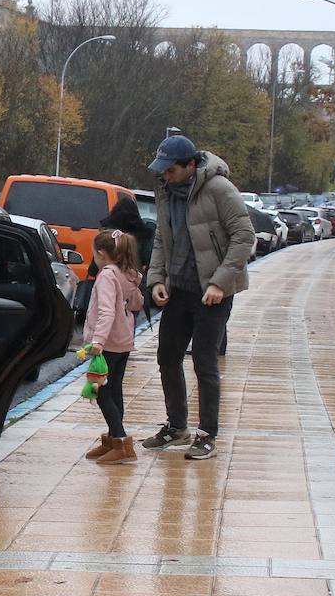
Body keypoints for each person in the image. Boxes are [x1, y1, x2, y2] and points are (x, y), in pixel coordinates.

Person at [141, 134, 253, 461]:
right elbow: (163, 237)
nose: (164, 175)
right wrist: (158, 278)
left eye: (171, 169)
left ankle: (207, 435)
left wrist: (220, 282)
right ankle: (177, 427)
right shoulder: (167, 192)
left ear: (190, 166)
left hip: (212, 293)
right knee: (167, 356)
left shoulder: (219, 189)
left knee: (204, 362)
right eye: (162, 169)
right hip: (179, 289)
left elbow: (244, 237)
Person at [82, 229, 144, 465]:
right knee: (114, 389)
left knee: (101, 392)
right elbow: (137, 303)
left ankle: (121, 442)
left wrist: (97, 341)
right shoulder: (126, 274)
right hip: (123, 340)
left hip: (107, 343)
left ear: (101, 253)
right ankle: (112, 440)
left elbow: (106, 311)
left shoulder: (107, 275)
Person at [100, 195, 154, 323]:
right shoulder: (143, 234)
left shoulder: (107, 235)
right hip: (133, 285)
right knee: (129, 322)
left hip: (108, 285)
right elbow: (148, 258)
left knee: (104, 317)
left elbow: (93, 268)